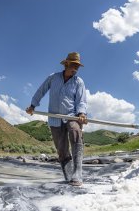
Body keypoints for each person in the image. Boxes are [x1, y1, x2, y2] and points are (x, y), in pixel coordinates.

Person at [26, 52, 87, 186]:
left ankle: (78, 172)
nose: (75, 69)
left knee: (75, 132)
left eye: (77, 66)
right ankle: (69, 175)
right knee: (61, 149)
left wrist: (81, 113)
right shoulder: (53, 78)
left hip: (71, 115)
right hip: (54, 118)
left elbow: (81, 100)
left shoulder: (78, 82)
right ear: (66, 64)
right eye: (73, 65)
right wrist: (32, 105)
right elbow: (41, 90)